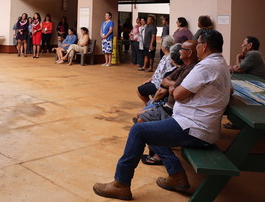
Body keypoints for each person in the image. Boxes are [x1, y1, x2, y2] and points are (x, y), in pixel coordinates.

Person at [93, 30, 232, 200]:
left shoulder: (205, 66)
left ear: (205, 46)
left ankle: (121, 184)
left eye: (199, 44)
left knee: (139, 130)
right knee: (150, 128)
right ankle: (176, 175)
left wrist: (175, 88)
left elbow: (178, 94)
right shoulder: (221, 63)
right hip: (200, 126)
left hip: (194, 128)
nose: (197, 48)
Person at [136, 35, 177, 106]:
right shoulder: (165, 56)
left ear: (164, 47)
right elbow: (159, 70)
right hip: (155, 81)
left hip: (159, 84)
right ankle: (149, 105)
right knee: (143, 87)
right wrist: (151, 78)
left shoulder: (170, 59)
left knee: (139, 90)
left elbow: (168, 75)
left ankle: (149, 106)